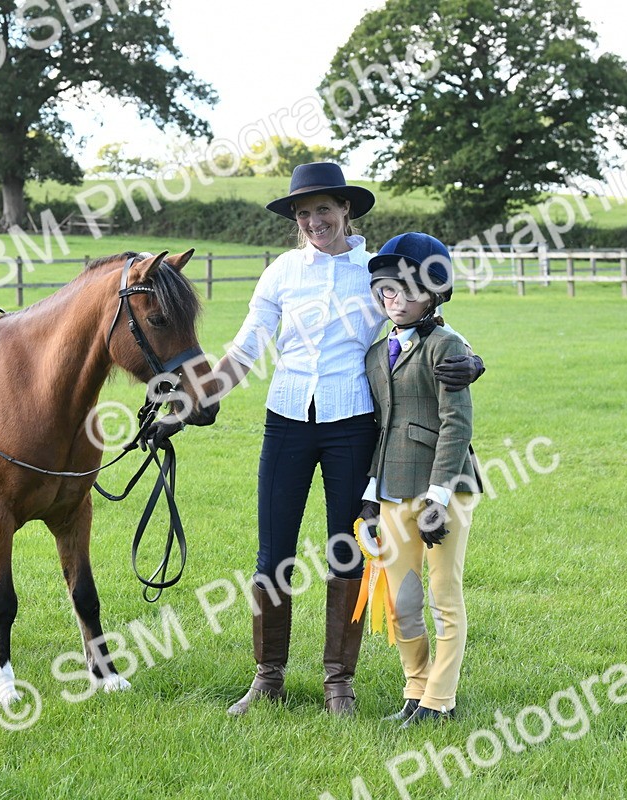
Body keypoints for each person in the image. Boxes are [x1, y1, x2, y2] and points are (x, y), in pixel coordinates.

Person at [201, 163, 485, 717]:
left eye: (323, 210)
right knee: (272, 552)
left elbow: (425, 322)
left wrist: (474, 361)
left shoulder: (373, 269)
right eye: (303, 214)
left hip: (353, 423)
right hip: (285, 419)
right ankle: (268, 677)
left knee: (347, 551)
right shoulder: (281, 272)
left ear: (346, 211)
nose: (313, 221)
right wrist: (194, 399)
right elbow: (245, 348)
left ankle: (339, 682)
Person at [358, 232, 483, 728]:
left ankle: (440, 700)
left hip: (443, 489)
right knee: (402, 600)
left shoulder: (448, 346)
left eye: (409, 292)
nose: (397, 301)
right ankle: (415, 686)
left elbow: (457, 424)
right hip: (389, 488)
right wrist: (370, 494)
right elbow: (380, 427)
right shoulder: (375, 352)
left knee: (443, 596)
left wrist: (437, 496)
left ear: (434, 294)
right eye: (388, 291)